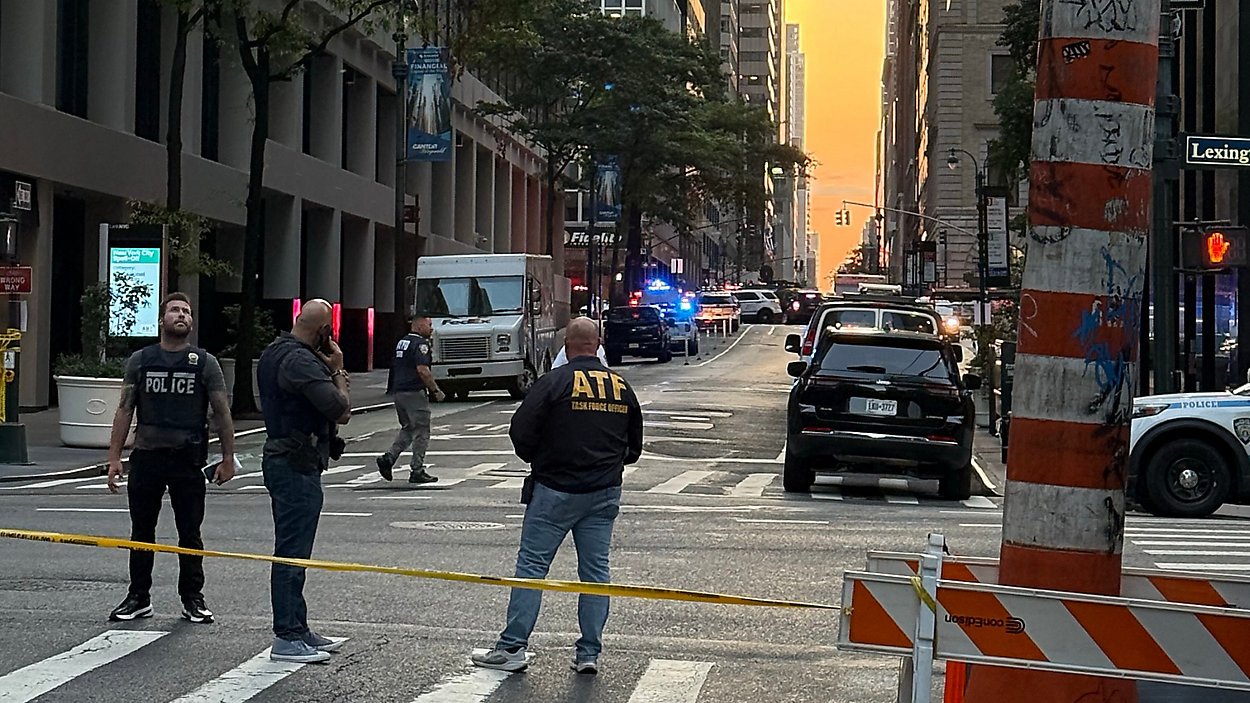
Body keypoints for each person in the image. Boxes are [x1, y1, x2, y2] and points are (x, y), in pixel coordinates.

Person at [472, 317, 643, 675]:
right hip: (603, 492)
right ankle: (589, 653)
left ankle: (513, 647)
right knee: (595, 573)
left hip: (555, 489)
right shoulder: (621, 386)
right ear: (598, 345)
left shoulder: (554, 382)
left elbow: (521, 430)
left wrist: (538, 458)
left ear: (566, 346)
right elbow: (634, 446)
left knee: (531, 568)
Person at [106, 292, 235, 625]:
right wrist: (115, 457)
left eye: (187, 312)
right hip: (147, 456)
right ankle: (139, 597)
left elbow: (222, 412)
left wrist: (228, 457)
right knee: (141, 530)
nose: (181, 315)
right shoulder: (141, 360)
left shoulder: (204, 363)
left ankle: (193, 598)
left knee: (189, 532)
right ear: (161, 319)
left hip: (187, 459)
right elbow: (125, 409)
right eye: (175, 310)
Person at [256, 299, 352, 664]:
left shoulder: (275, 352)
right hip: (295, 463)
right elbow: (340, 410)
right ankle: (287, 635)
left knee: (294, 550)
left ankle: (298, 627)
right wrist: (338, 372)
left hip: (287, 458)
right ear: (324, 331)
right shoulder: (299, 361)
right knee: (292, 552)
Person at [378, 314, 444, 483]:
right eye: (429, 325)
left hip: (399, 392)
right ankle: (417, 469)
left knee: (408, 428)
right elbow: (423, 370)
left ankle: (389, 458)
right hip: (414, 392)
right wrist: (435, 390)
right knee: (422, 430)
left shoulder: (403, 342)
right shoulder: (420, 344)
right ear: (419, 326)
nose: (431, 328)